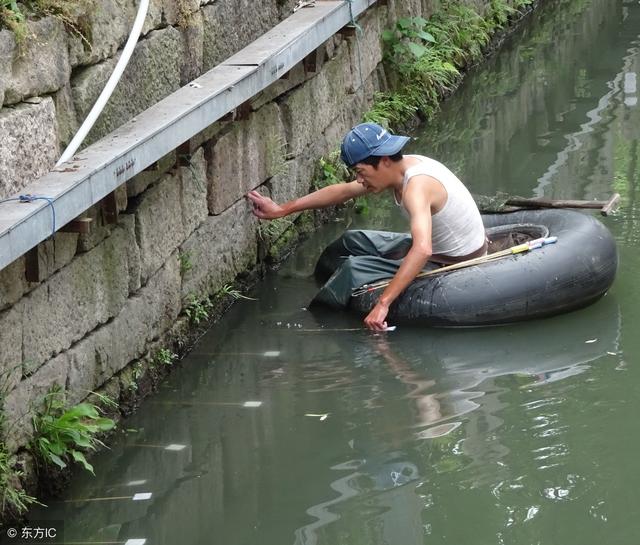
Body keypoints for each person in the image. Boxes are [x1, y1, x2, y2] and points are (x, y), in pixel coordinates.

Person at [247, 122, 486, 331]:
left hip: (452, 261)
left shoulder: (417, 187)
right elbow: (342, 191)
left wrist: (383, 304)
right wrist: (282, 210)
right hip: (435, 247)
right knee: (351, 240)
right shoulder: (399, 168)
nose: (359, 180)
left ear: (383, 160)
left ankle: (314, 320)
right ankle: (318, 283)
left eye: (361, 172)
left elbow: (423, 249)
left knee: (354, 269)